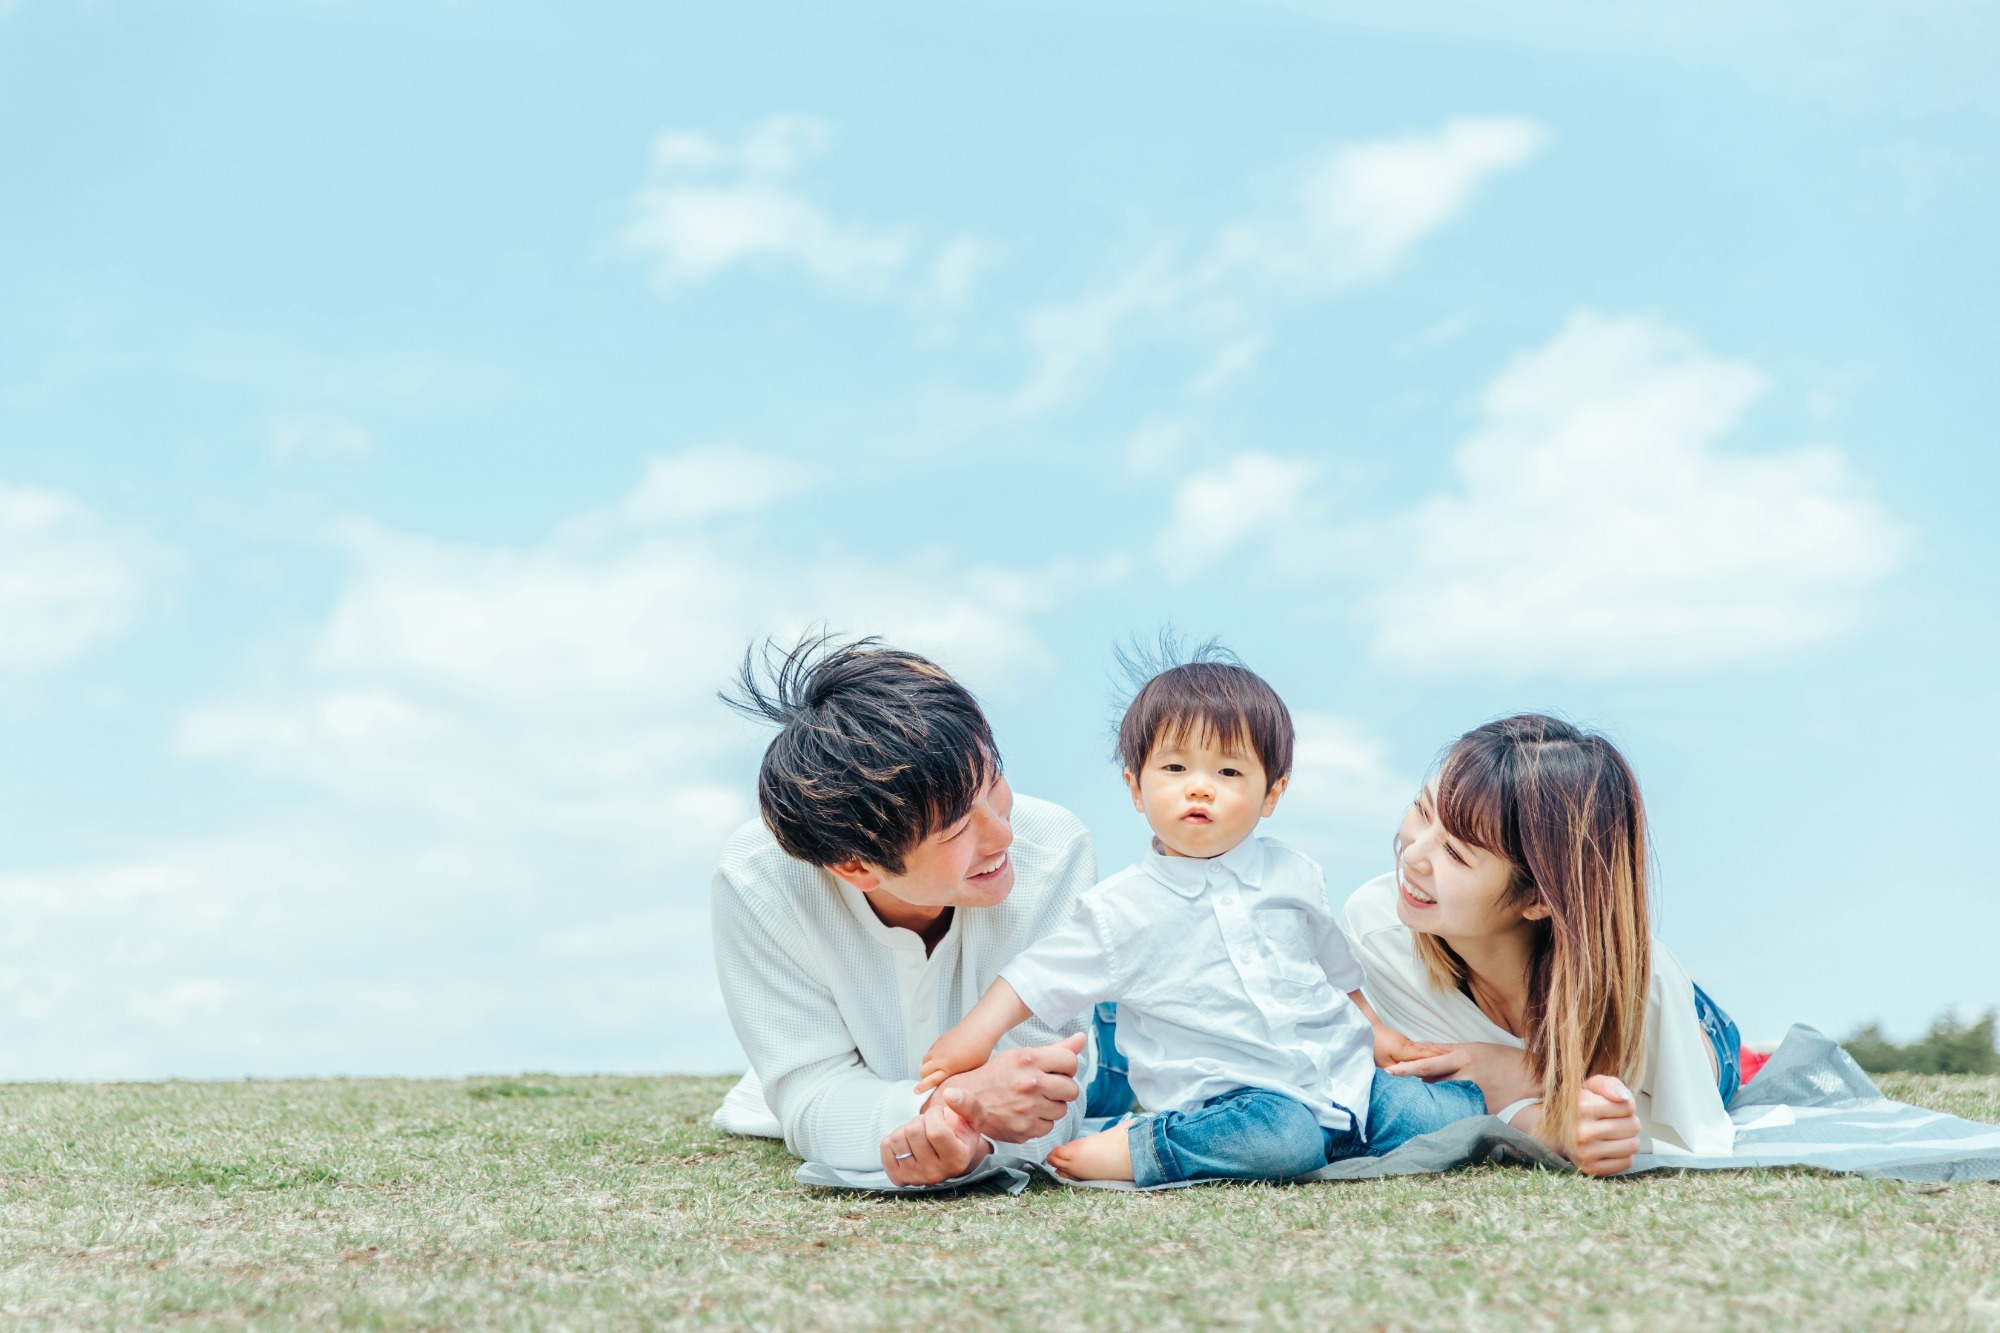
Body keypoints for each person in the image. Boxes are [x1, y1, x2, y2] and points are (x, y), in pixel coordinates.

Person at [915, 645, 1488, 1186]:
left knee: (1442, 1116)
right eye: (1174, 768)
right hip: (1235, 1104)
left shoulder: (1296, 874)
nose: (1200, 788)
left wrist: (1378, 1035)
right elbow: (1034, 979)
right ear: (1135, 788)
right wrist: (972, 1036)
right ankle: (1143, 1146)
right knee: (1283, 1140)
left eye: (1229, 773)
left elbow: (1335, 976)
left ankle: (1528, 1114)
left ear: (1273, 794)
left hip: (1347, 1082)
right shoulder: (1120, 909)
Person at [709, 634, 1130, 1187]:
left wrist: (971, 1135)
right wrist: (956, 1115)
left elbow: (1045, 1090)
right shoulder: (759, 877)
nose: (1003, 834)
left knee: (1133, 1049)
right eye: (957, 829)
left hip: (1106, 1041)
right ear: (854, 866)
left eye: (994, 782)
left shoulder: (1053, 846)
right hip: (876, 1067)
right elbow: (812, 1097)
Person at [1345, 714, 1741, 1178]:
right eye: (1423, 810)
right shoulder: (1379, 932)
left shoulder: (1642, 990)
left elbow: (1693, 1136)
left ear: (1536, 897)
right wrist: (1531, 1098)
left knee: (1717, 1068)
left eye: (1455, 853)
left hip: (1692, 1026)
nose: (1412, 855)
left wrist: (1523, 1075)